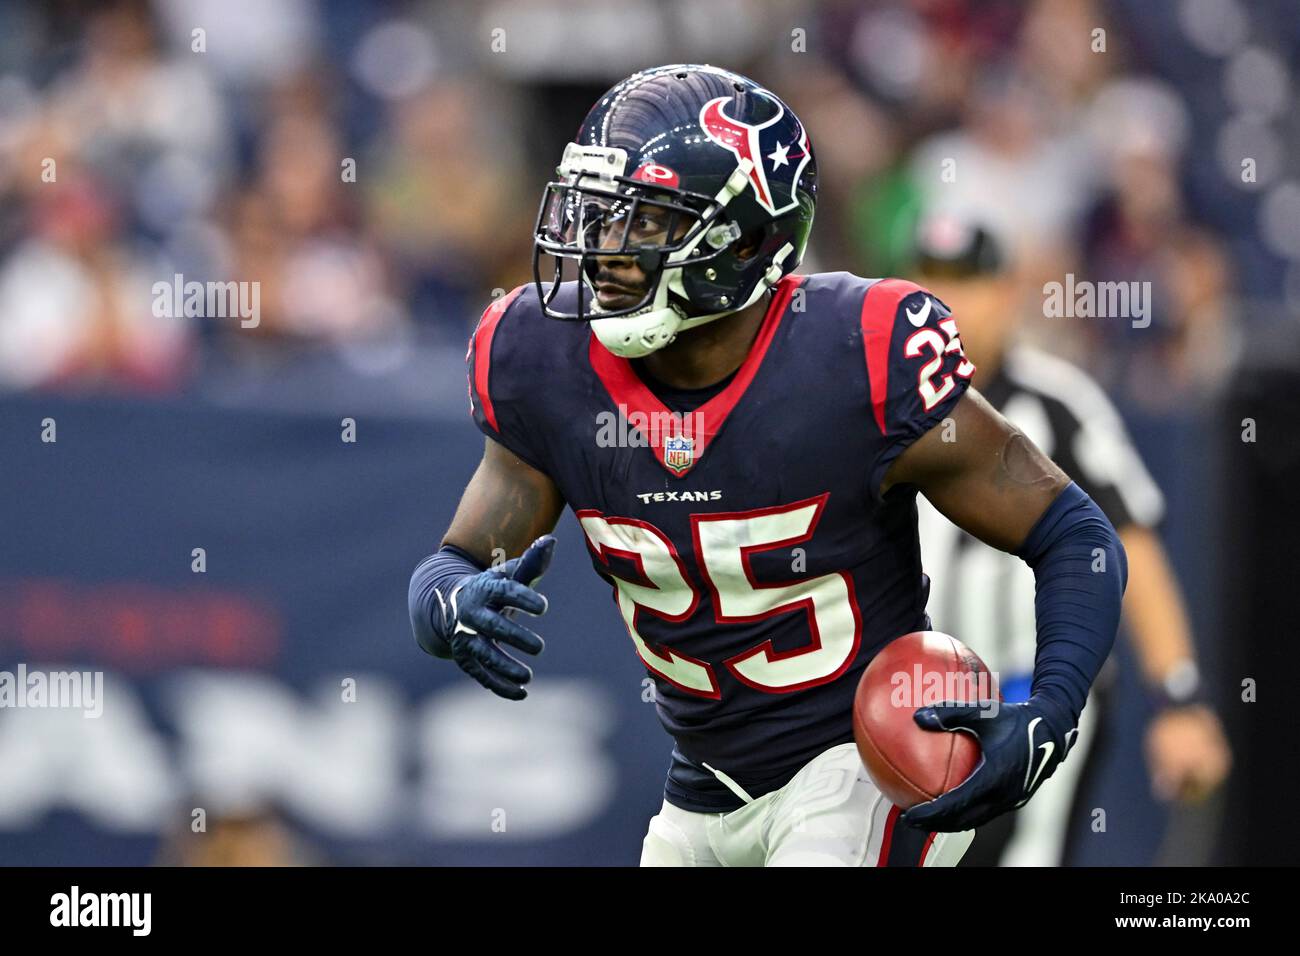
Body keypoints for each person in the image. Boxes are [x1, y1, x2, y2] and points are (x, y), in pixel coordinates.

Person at [408, 65, 1128, 867]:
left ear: (744, 241)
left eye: (644, 221)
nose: (603, 250)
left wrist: (1052, 707)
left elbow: (1072, 531)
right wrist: (445, 606)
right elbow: (457, 558)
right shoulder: (541, 359)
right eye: (596, 214)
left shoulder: (853, 355)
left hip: (859, 766)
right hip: (699, 791)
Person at [909, 212, 1231, 865]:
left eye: (969, 283)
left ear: (1007, 295)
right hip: (906, 703)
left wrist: (1179, 696)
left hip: (1032, 698)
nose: (952, 306)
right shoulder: (873, 405)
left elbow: (1127, 547)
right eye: (932, 285)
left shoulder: (1056, 404)